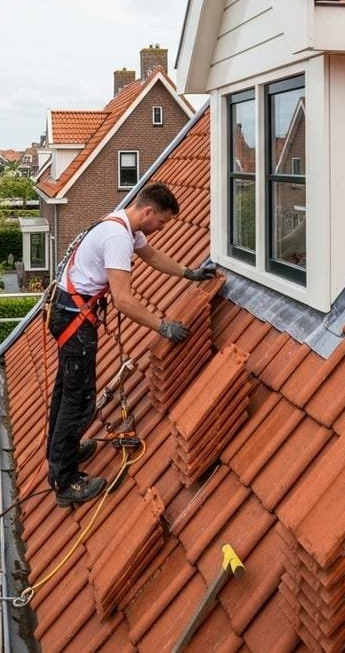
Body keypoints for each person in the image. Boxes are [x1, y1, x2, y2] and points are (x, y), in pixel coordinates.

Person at [46, 182, 216, 506]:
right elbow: (123, 300)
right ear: (148, 211)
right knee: (78, 401)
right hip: (75, 323)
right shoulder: (117, 237)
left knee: (65, 392)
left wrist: (188, 273)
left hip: (69, 314)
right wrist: (161, 326)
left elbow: (150, 255)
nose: (161, 228)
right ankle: (65, 481)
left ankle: (61, 452)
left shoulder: (124, 225)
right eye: (161, 222)